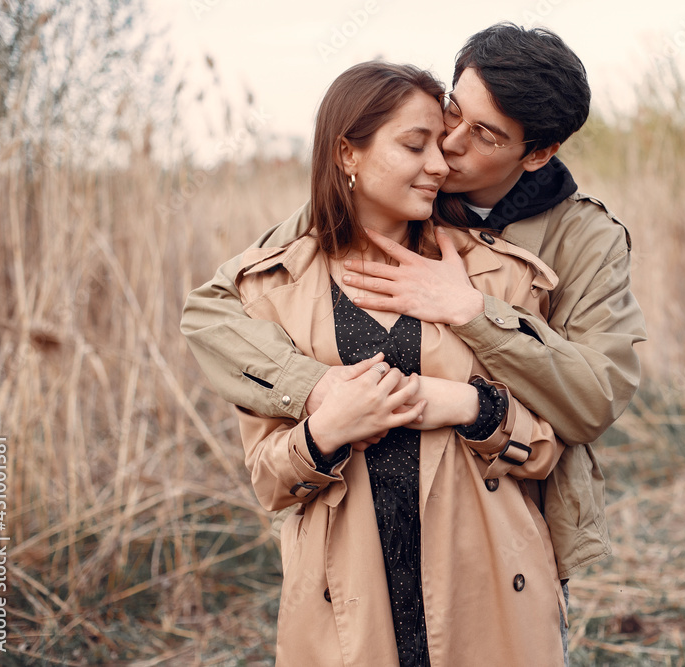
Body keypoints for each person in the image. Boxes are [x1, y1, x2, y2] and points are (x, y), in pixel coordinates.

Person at [181, 23, 648, 586]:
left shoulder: (585, 238)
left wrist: (473, 313)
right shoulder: (390, 189)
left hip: (512, 544)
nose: (449, 145)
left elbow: (593, 399)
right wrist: (314, 388)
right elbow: (212, 310)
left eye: (486, 135)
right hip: (363, 540)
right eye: (455, 110)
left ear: (539, 152)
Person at [227, 60, 567, 665]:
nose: (440, 164)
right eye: (415, 145)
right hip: (347, 604)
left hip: (482, 594)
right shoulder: (271, 292)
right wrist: (327, 429)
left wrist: (469, 405)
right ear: (347, 154)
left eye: (442, 143)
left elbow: (546, 447)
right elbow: (268, 481)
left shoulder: (499, 276)